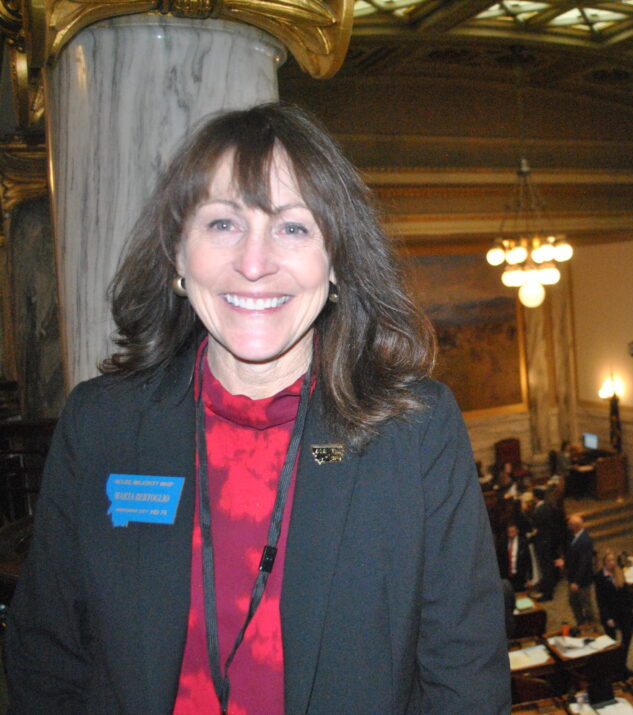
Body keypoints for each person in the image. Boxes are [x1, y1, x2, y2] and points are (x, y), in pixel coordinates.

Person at [4, 103, 509, 713]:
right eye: (223, 223)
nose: (253, 263)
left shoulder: (415, 429)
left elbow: (465, 674)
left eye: (293, 228)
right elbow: (45, 654)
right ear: (177, 254)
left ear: (337, 262)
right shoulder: (101, 422)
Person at [594, 549, 633, 664]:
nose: (612, 563)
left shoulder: (619, 572)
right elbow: (600, 599)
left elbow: (626, 591)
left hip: (623, 610)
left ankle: (622, 662)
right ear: (604, 562)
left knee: (627, 636)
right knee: (612, 641)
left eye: (613, 560)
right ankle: (613, 665)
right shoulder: (599, 577)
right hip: (610, 612)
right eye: (609, 560)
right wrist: (607, 617)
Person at [557, 514, 596, 625]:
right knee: (573, 602)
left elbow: (584, 563)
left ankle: (592, 626)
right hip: (573, 577)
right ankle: (581, 624)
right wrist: (565, 562)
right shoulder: (574, 537)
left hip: (582, 580)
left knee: (586, 604)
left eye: (570, 525)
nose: (569, 527)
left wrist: (577, 581)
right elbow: (572, 555)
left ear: (575, 526)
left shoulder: (585, 540)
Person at [531, 487, 559, 601]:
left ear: (535, 497)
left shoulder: (540, 510)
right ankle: (547, 588)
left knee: (545, 568)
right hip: (546, 540)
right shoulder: (546, 506)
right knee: (547, 567)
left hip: (542, 542)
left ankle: (548, 593)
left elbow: (537, 527)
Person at [498, 522, 533, 593]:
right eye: (509, 532)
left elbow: (528, 561)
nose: (510, 534)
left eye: (512, 532)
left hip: (519, 576)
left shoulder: (523, 543)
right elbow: (500, 560)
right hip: (507, 577)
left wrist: (529, 578)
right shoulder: (503, 542)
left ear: (517, 531)